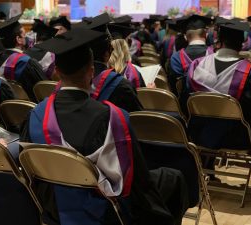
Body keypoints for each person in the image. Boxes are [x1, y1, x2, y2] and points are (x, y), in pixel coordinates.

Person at [21, 28, 189, 225]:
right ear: (92, 71)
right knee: (172, 178)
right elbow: (135, 183)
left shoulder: (35, 115)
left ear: (56, 72)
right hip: (105, 212)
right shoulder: (113, 117)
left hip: (54, 208)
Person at [187, 18, 251, 199]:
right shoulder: (249, 74)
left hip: (199, 136)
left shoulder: (196, 66)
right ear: (242, 43)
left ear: (219, 40)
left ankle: (205, 171)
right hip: (237, 139)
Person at [0, 15, 46, 101]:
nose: (26, 37)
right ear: (18, 39)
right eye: (24, 34)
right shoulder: (27, 63)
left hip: (9, 108)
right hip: (32, 107)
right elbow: (44, 88)